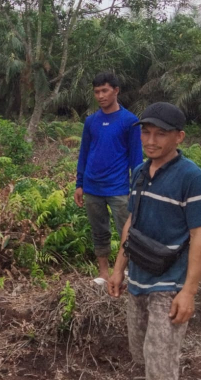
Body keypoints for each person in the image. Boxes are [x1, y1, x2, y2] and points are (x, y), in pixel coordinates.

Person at [107, 102, 201, 380]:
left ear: (179, 136)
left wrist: (189, 292)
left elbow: (200, 235)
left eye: (160, 134)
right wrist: (119, 268)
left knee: (160, 368)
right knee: (140, 357)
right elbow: (132, 222)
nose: (150, 141)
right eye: (146, 132)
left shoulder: (193, 178)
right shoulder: (141, 173)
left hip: (170, 286)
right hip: (139, 279)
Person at [75, 72, 143, 282]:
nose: (101, 96)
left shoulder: (129, 121)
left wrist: (136, 188)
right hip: (92, 186)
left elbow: (136, 158)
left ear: (116, 90)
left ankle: (128, 271)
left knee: (128, 230)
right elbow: (84, 152)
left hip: (119, 187)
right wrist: (79, 183)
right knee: (99, 231)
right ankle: (103, 273)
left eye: (105, 91)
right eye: (97, 92)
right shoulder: (91, 121)